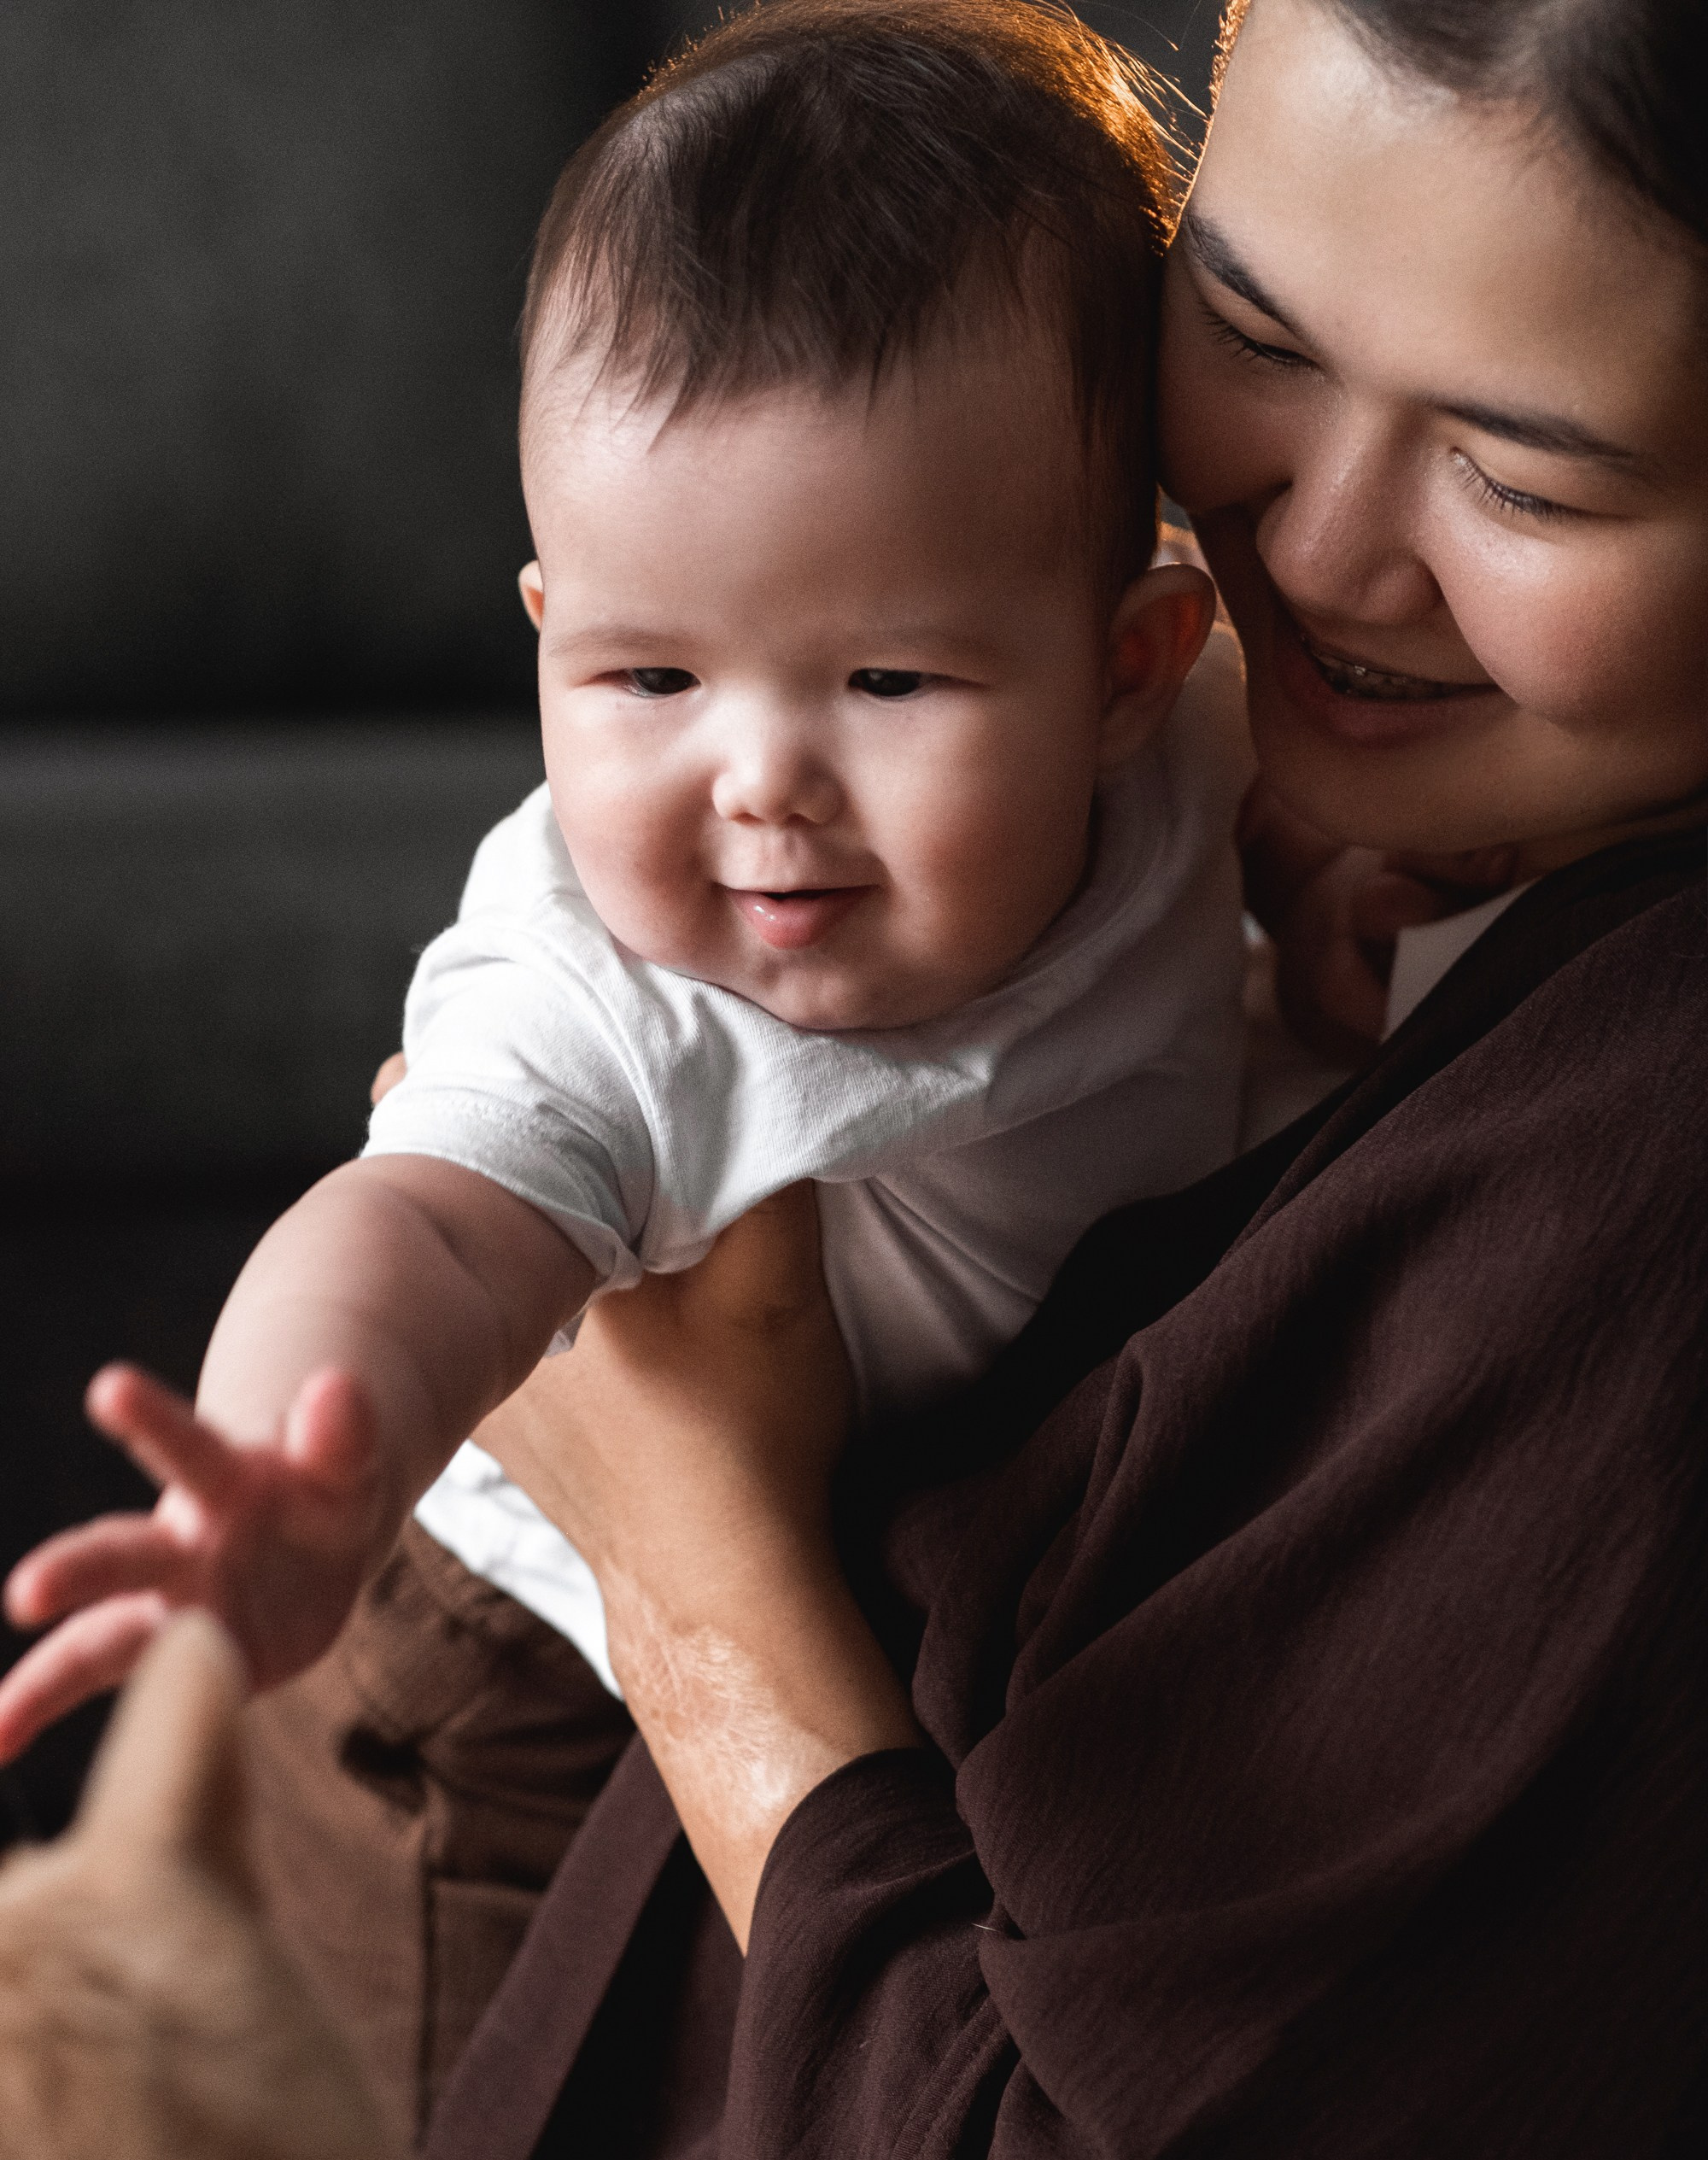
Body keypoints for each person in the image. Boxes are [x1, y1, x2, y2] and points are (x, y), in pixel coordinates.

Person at [254, 0, 1704, 2160]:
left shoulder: (1619, 1157)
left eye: (1522, 471)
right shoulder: (1221, 764)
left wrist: (691, 1556)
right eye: (1246, 332)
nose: (1302, 547)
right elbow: (436, 1193)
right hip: (463, 1718)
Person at [0, 0, 1247, 1740]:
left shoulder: (1212, 736)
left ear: (1131, 667)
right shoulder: (611, 993)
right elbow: (422, 1231)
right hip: (502, 1688)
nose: (758, 784)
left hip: (922, 1552)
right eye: (649, 678)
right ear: (544, 633)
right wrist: (300, 1477)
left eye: (888, 682)